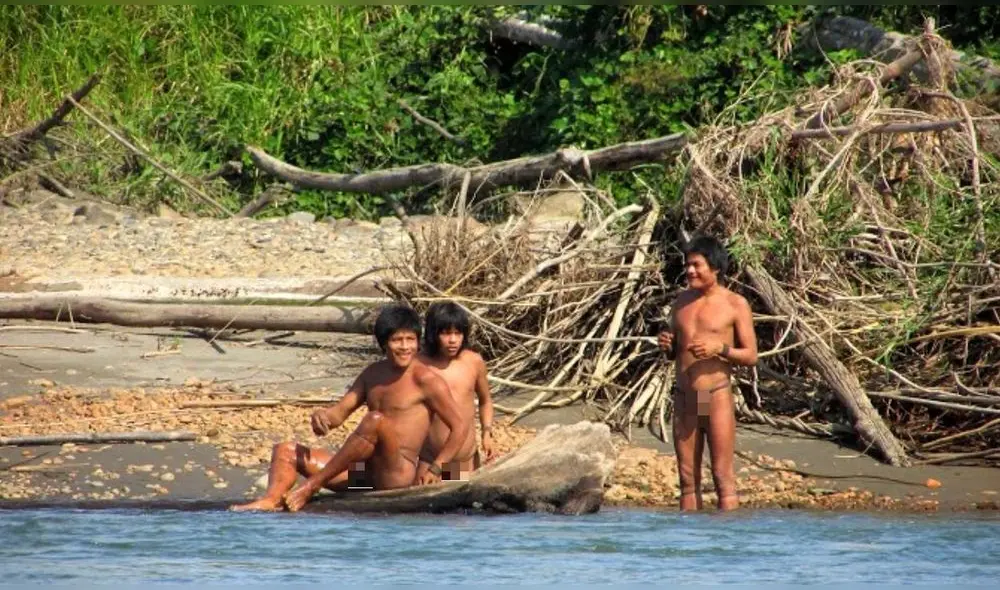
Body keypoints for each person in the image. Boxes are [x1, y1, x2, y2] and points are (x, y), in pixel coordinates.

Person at [230, 304, 469, 512]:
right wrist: (321, 417)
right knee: (286, 450)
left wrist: (437, 469)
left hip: (395, 476)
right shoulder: (372, 374)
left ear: (418, 342)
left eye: (410, 340)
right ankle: (271, 500)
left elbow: (460, 426)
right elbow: (338, 415)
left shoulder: (426, 379)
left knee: (375, 420)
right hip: (362, 476)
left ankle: (308, 488)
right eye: (397, 340)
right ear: (384, 343)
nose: (404, 347)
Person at [657, 235, 758, 511]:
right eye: (688, 265)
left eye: (696, 265)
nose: (690, 271)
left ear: (715, 268)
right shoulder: (681, 302)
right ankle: (690, 547)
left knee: (722, 477)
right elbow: (677, 351)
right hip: (686, 397)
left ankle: (725, 546)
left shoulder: (735, 304)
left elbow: (750, 355)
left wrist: (721, 348)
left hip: (715, 396)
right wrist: (668, 346)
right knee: (687, 480)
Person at [418, 301, 496, 481]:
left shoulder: (473, 361)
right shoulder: (419, 365)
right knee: (417, 505)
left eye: (458, 333)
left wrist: (487, 432)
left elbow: (485, 401)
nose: (453, 340)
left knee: (466, 507)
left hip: (465, 463)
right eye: (446, 333)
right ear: (433, 334)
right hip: (429, 462)